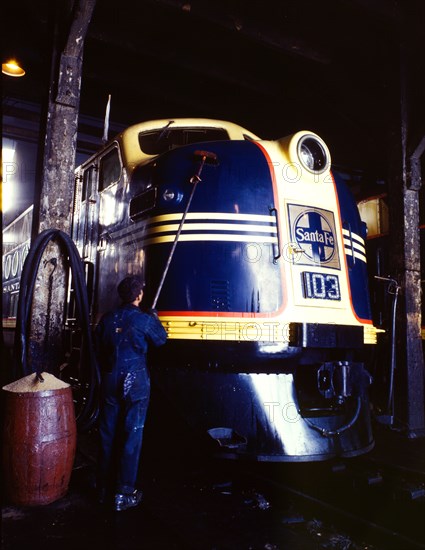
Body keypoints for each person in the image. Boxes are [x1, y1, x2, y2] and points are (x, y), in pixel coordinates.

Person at [95, 275, 167, 511]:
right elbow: (161, 340)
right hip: (135, 380)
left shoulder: (107, 319)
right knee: (131, 434)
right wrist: (154, 319)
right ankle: (123, 493)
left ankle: (103, 489)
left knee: (107, 433)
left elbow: (99, 347)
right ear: (138, 296)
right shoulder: (144, 319)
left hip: (110, 379)